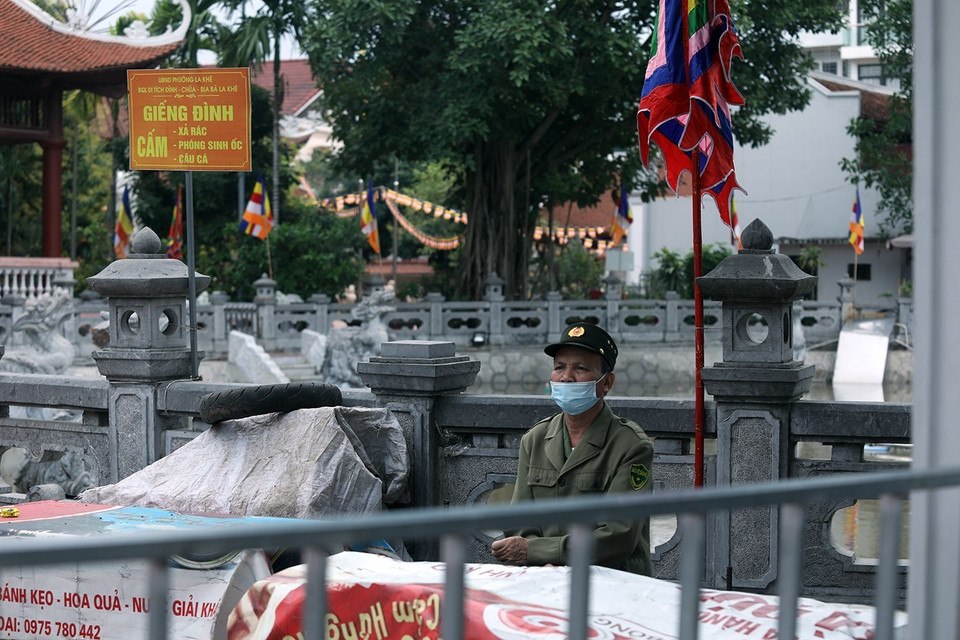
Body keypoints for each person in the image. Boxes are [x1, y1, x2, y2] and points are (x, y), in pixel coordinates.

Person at [491, 323, 654, 575]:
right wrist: (544, 563)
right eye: (559, 367)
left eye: (580, 368)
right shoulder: (535, 439)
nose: (566, 377)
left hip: (611, 581)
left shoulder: (631, 445)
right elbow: (520, 519)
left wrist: (539, 552)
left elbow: (619, 534)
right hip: (543, 578)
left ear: (607, 382)